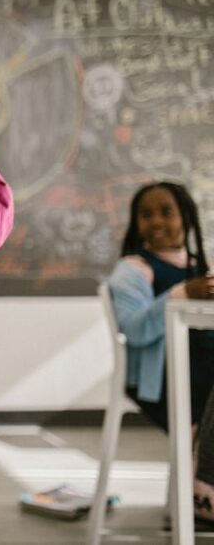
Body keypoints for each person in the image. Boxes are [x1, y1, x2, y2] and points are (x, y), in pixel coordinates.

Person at [107, 181, 214, 521]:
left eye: (166, 212)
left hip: (200, 372)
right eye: (146, 214)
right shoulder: (134, 270)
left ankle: (201, 489)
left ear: (186, 216)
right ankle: (202, 492)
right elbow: (135, 330)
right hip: (161, 381)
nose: (156, 221)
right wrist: (181, 294)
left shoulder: (201, 267)